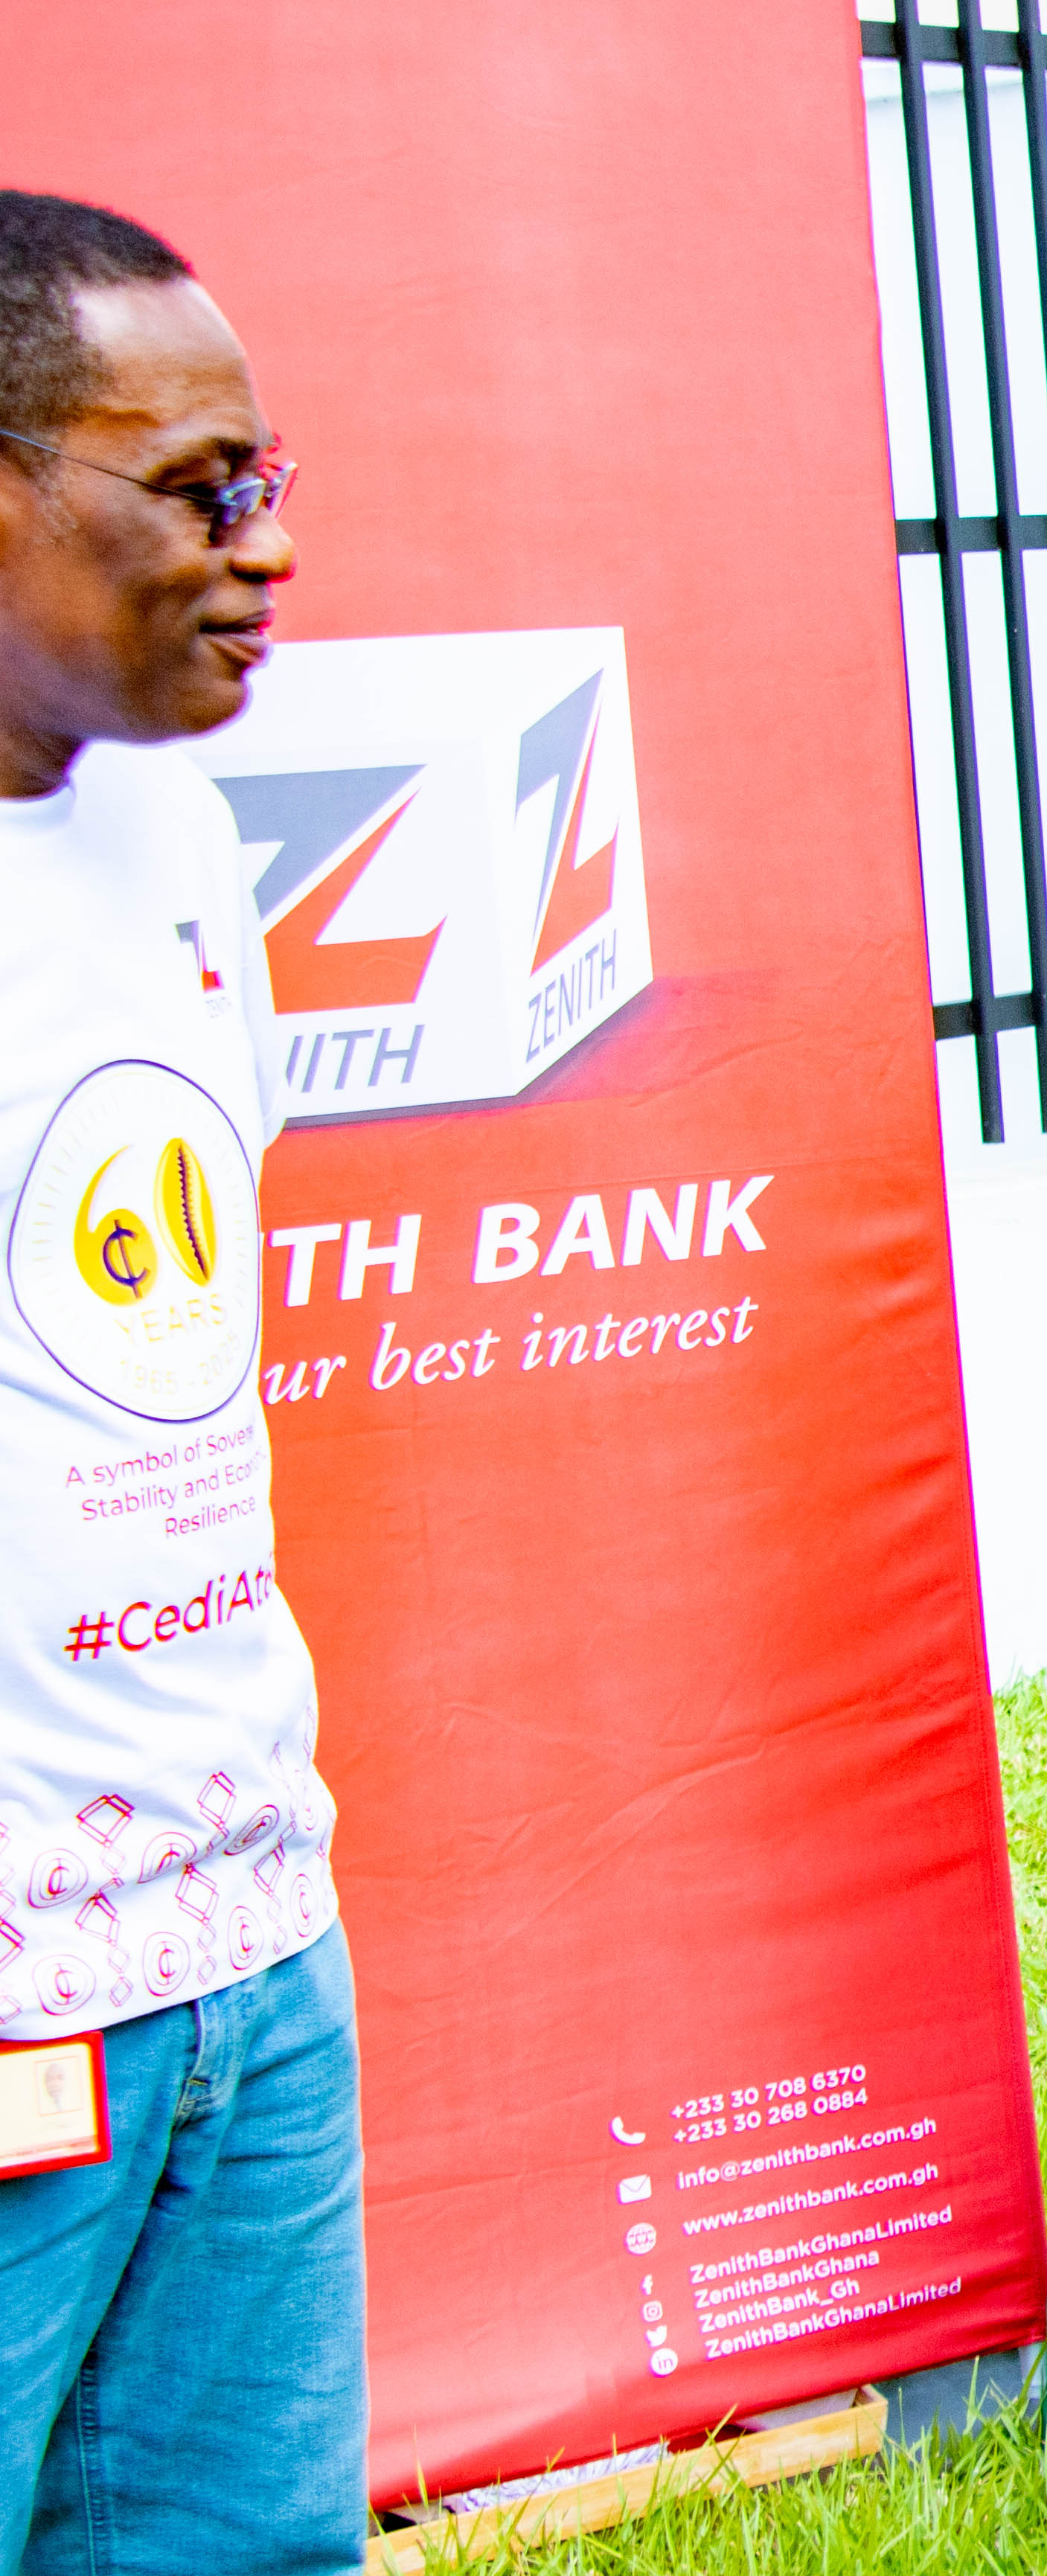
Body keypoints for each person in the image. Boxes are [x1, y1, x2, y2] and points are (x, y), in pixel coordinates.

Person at [0, 193, 359, 2573]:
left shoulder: (178, 826)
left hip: (246, 1935)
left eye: (272, 481)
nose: (268, 548)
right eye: (199, 489)